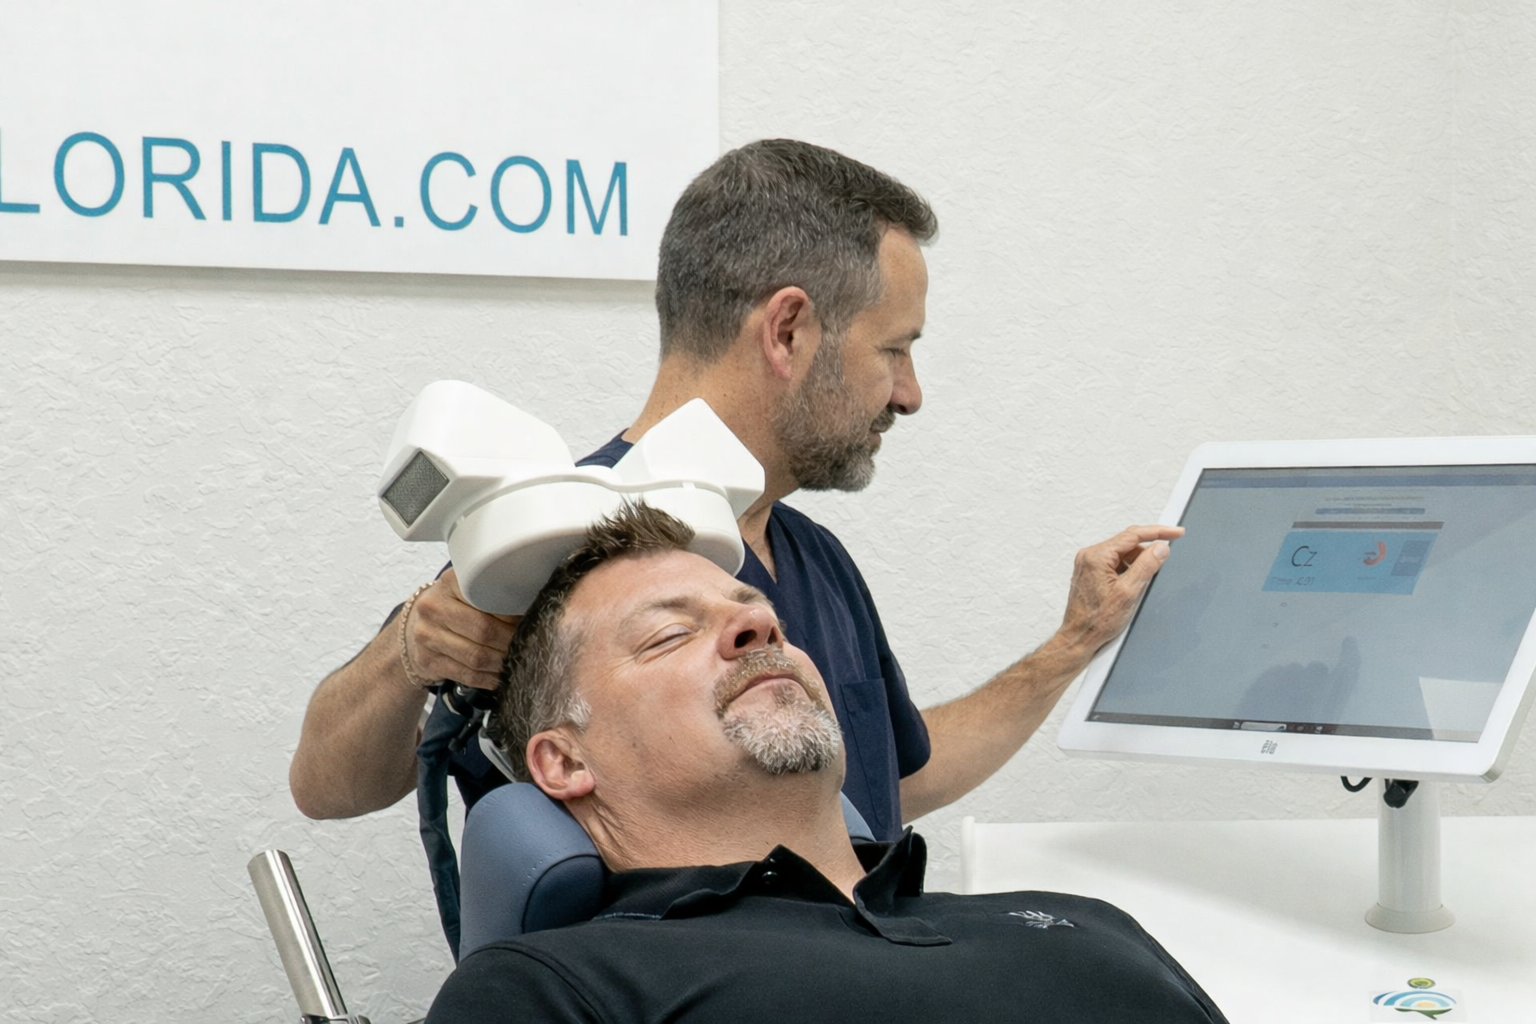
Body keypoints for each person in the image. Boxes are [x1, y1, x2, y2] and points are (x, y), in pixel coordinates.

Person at [290, 138, 1181, 844]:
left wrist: (1074, 643)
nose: (910, 393)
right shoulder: (564, 540)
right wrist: (413, 646)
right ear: (788, 329)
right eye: (895, 349)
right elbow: (325, 784)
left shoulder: (814, 559)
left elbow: (890, 779)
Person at [425, 504, 1225, 1023]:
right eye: (669, 634)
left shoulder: (1082, 922)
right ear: (563, 761)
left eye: (760, 618)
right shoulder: (554, 989)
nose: (756, 632)